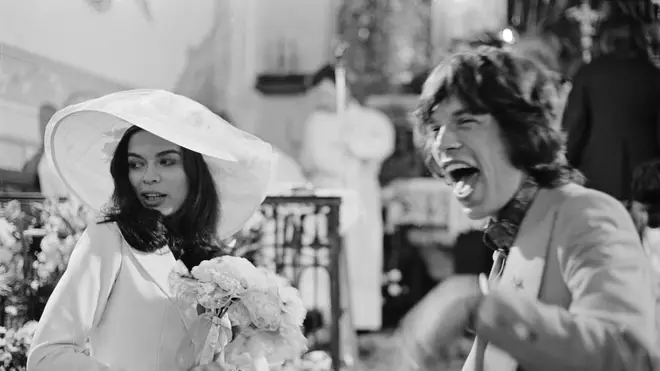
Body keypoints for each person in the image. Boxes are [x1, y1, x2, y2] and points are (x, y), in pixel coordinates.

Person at [395, 47, 658, 371]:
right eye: (435, 128)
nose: (442, 143)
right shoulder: (511, 229)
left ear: (518, 130)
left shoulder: (585, 214)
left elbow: (630, 356)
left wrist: (479, 307)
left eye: (465, 121)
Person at [27, 89, 275, 371]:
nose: (149, 176)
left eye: (166, 161)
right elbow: (46, 356)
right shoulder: (109, 237)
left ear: (194, 172)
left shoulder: (214, 261)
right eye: (136, 164)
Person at [299, 64, 395, 331]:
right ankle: (324, 318)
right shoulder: (316, 122)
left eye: (328, 93)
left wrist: (353, 146)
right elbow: (319, 159)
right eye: (320, 95)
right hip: (327, 194)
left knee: (361, 256)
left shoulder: (370, 119)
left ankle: (363, 319)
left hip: (361, 195)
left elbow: (383, 144)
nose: (324, 100)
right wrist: (351, 159)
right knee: (325, 256)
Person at [562, 16, 660, 201]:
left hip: (597, 174)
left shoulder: (589, 73)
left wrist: (564, 163)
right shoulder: (654, 76)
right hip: (646, 178)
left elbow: (575, 126)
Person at [0, 103, 57, 192]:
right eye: (41, 119)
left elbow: (31, 179)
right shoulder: (38, 153)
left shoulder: (54, 153)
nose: (43, 124)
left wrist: (3, 175)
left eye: (47, 119)